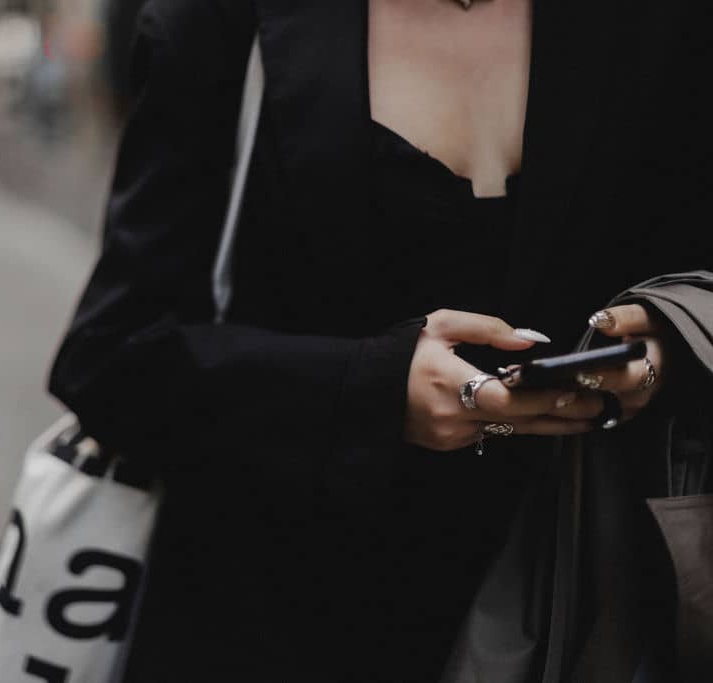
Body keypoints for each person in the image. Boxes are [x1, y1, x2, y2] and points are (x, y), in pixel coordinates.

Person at [47, 0, 713, 680]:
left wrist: (663, 350)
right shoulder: (226, 19)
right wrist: (370, 388)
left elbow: (691, 278)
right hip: (282, 615)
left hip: (582, 617)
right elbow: (110, 356)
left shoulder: (660, 23)